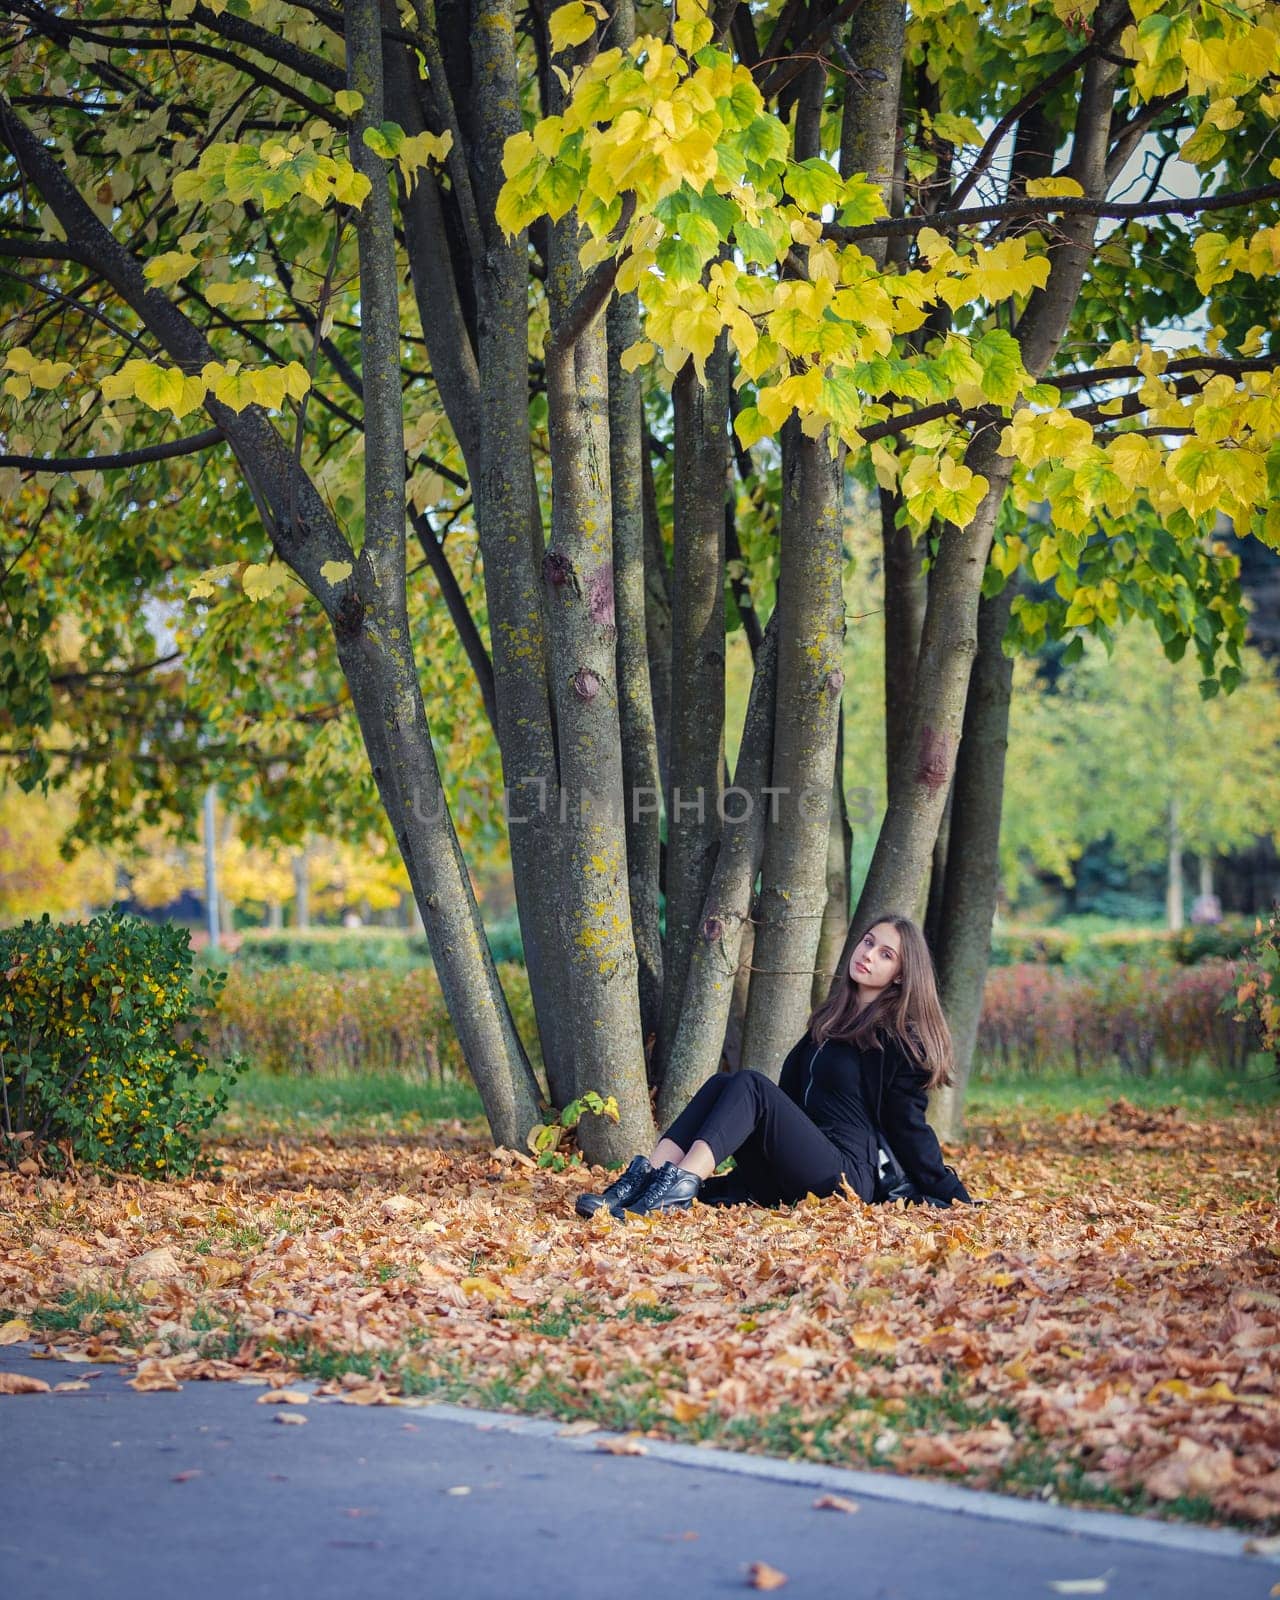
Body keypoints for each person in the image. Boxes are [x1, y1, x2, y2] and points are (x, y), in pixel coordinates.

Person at [574, 913, 975, 1219]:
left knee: (749, 1084)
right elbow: (788, 1102)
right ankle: (644, 1182)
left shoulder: (898, 1039)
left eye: (885, 954)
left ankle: (676, 1191)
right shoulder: (831, 1021)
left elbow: (909, 1127)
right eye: (868, 942)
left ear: (901, 975)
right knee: (722, 1084)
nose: (868, 955)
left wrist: (952, 1193)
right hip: (805, 1162)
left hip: (847, 1177)